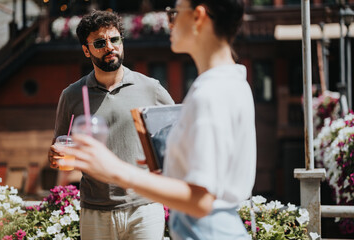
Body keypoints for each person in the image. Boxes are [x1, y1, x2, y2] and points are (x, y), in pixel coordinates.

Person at [57, 0, 256, 239]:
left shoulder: (210, 94)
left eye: (175, 12)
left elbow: (202, 200)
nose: (168, 21)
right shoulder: (232, 80)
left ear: (198, 17)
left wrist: (115, 169)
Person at [48, 10, 174, 240]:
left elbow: (178, 135)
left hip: (144, 208)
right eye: (99, 42)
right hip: (94, 210)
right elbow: (60, 145)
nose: (109, 47)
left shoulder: (151, 88)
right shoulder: (72, 95)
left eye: (114, 39)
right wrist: (57, 155)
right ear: (86, 50)